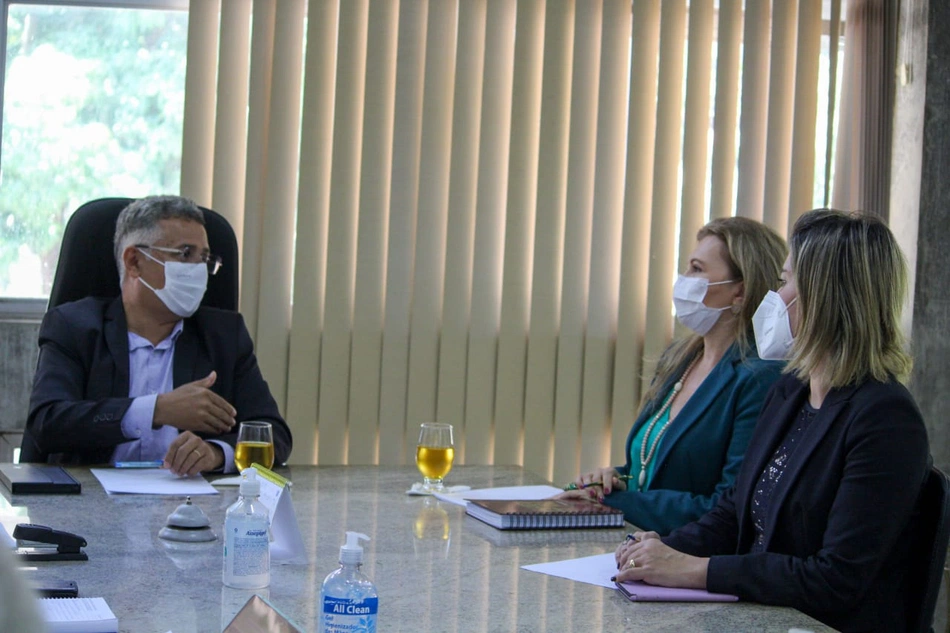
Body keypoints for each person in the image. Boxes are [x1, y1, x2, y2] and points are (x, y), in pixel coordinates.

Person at [613, 209, 930, 633]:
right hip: (762, 615)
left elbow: (835, 579)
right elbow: (734, 514)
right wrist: (662, 546)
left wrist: (694, 570)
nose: (774, 297)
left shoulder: (885, 419)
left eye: (784, 282)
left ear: (825, 296)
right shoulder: (790, 391)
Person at [21, 195, 292, 475]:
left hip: (190, 508)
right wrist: (155, 410)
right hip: (88, 505)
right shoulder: (73, 327)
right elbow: (47, 423)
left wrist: (215, 453)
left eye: (204, 258)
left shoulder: (223, 335)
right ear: (134, 261)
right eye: (185, 254)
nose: (199, 270)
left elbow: (274, 435)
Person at [559, 217, 787, 534]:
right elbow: (657, 470)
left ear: (740, 292)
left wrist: (615, 504)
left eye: (697, 269)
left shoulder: (759, 378)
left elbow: (728, 506)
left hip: (687, 559)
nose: (683, 280)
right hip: (639, 543)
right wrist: (610, 482)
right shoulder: (680, 357)